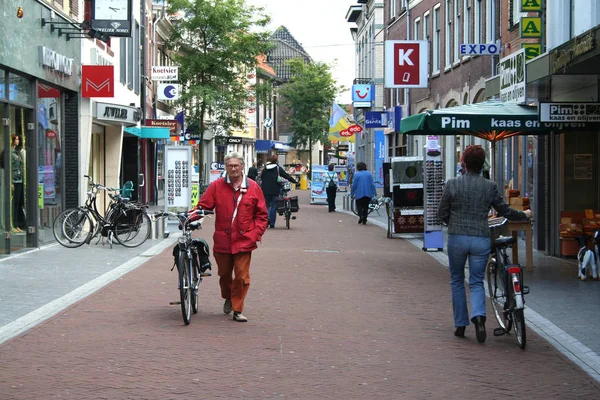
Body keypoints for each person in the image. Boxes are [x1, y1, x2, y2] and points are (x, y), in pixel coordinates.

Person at [438, 145, 533, 343]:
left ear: (463, 162)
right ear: (482, 165)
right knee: (475, 281)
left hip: (457, 237)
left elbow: (442, 213)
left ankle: (461, 324)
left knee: (456, 280)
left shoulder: (452, 183)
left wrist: (453, 223)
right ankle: (479, 317)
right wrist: (523, 214)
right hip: (480, 238)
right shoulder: (489, 186)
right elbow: (505, 210)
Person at [191, 152, 268, 322]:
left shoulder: (254, 187)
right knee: (224, 275)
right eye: (230, 165)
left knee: (241, 276)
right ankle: (228, 296)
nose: (233, 168)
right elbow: (203, 206)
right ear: (226, 167)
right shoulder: (217, 186)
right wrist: (188, 218)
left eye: (236, 165)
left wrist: (255, 234)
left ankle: (237, 309)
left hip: (244, 240)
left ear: (242, 167)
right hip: (223, 240)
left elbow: (262, 215)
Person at [259, 154, 298, 228]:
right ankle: (272, 224)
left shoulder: (265, 169)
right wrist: (295, 182)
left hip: (265, 190)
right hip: (275, 189)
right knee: (274, 205)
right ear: (276, 160)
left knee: (267, 205)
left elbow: (261, 177)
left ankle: (267, 219)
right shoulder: (278, 168)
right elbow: (287, 176)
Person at [11, 135, 25, 233]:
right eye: (16, 139)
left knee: (19, 202)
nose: (18, 141)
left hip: (20, 179)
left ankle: (19, 224)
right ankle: (14, 224)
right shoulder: (11, 152)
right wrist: (11, 181)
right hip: (14, 180)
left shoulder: (18, 152)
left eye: (18, 139)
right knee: (15, 202)